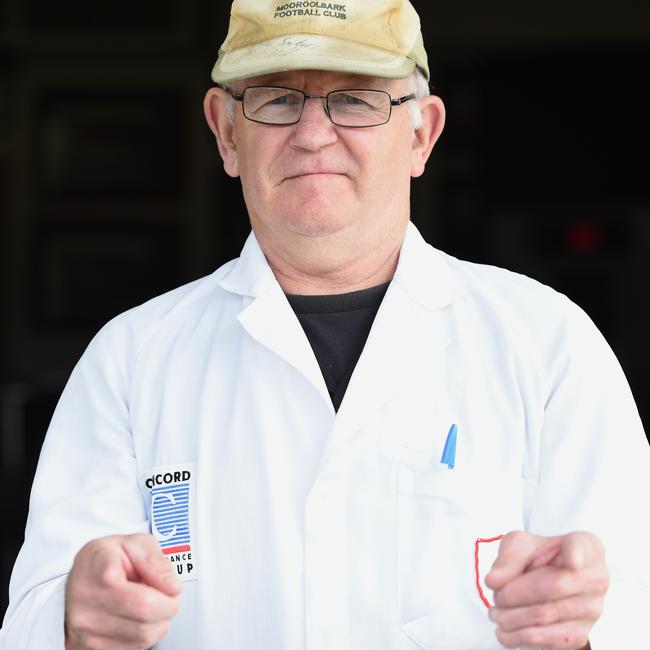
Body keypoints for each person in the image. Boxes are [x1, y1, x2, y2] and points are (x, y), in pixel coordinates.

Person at [1, 0, 649, 648]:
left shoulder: (549, 346)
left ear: (421, 132)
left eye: (357, 99)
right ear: (226, 132)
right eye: (278, 100)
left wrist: (581, 628)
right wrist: (71, 618)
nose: (313, 134)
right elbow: (32, 622)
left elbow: (631, 608)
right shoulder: (131, 361)